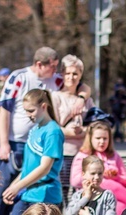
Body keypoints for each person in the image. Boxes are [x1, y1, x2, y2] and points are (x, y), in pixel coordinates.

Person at [0, 47, 63, 215]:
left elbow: (76, 84)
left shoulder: (55, 80)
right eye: (52, 67)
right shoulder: (19, 78)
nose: (55, 70)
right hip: (16, 145)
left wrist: (82, 94)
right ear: (39, 64)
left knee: (24, 193)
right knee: (0, 195)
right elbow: (4, 110)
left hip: (40, 143)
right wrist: (4, 143)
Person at [1, 89, 64, 215]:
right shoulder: (35, 129)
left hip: (45, 195)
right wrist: (13, 187)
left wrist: (17, 187)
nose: (28, 115)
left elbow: (44, 168)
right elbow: (28, 168)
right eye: (26, 111)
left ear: (43, 106)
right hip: (27, 193)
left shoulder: (53, 131)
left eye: (31, 110)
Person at [70, 120, 126, 215]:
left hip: (112, 198)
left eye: (105, 138)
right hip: (91, 197)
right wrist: (96, 175)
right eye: (98, 138)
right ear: (90, 138)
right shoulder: (82, 156)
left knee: (120, 207)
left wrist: (114, 175)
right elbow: (74, 181)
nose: (102, 142)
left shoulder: (113, 155)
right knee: (108, 184)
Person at [52, 55, 94, 202]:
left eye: (75, 73)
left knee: (82, 191)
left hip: (83, 152)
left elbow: (95, 124)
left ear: (80, 75)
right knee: (63, 194)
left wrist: (84, 131)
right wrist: (71, 132)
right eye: (68, 73)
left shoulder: (87, 99)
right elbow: (52, 127)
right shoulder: (55, 97)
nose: (71, 77)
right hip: (64, 152)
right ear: (62, 74)